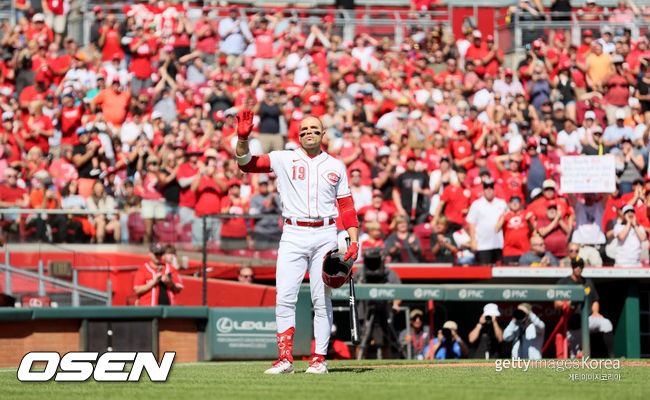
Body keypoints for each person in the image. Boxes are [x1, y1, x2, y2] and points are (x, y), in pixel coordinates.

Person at [236, 109, 359, 374]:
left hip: (325, 234)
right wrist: (243, 140)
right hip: (293, 233)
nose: (308, 133)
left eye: (314, 129)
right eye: (303, 130)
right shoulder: (284, 159)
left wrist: (354, 241)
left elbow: (346, 207)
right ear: (298, 135)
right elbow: (246, 164)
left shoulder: (336, 165)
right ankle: (285, 359)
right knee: (285, 297)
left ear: (324, 134)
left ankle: (319, 360)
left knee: (321, 299)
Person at [555, 257, 614, 358]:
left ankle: (611, 358)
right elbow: (556, 304)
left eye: (580, 266)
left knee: (606, 323)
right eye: (575, 266)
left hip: (587, 320)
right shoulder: (564, 282)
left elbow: (595, 300)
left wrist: (595, 312)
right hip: (572, 325)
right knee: (575, 357)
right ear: (572, 267)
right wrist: (570, 302)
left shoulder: (588, 282)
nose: (578, 268)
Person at [466, 179, 508, 265]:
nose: (489, 189)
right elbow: (472, 224)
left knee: (499, 271)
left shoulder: (502, 203)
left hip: (499, 243)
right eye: (486, 187)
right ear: (483, 190)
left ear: (494, 189)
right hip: (483, 244)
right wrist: (473, 240)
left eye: (491, 187)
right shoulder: (476, 204)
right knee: (484, 270)